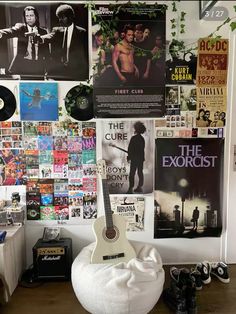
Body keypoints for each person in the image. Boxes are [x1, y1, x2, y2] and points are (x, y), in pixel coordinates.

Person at [38, 4, 88, 80]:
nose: (60, 20)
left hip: (76, 72)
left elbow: (86, 54)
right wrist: (39, 38)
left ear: (71, 16)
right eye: (59, 18)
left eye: (62, 17)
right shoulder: (57, 30)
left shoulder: (82, 32)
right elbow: (49, 36)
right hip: (59, 71)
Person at [0, 6, 49, 78]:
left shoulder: (43, 31)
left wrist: (48, 70)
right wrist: (1, 33)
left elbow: (46, 52)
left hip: (39, 66)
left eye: (31, 15)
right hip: (24, 65)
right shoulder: (21, 28)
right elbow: (11, 31)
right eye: (27, 16)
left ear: (36, 17)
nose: (29, 18)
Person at [126, 121, 146, 194]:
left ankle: (130, 188)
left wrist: (129, 157)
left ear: (136, 129)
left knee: (132, 173)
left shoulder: (134, 138)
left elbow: (130, 149)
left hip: (134, 158)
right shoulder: (142, 139)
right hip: (140, 159)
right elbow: (141, 149)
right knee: (140, 172)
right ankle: (139, 187)